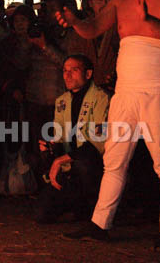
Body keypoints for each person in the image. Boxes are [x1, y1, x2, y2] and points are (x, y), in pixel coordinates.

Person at [60, 0, 160, 250]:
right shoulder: (121, 0)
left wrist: (149, 21)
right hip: (125, 92)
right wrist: (76, 21)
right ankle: (100, 224)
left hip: (158, 91)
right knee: (115, 160)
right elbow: (93, 29)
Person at [35, 55, 109, 224]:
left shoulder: (101, 98)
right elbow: (59, 135)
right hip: (70, 165)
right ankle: (76, 204)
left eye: (73, 71)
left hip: (92, 163)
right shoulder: (62, 101)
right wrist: (51, 148)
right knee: (42, 214)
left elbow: (98, 140)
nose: (67, 76)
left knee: (84, 163)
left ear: (88, 74)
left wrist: (62, 159)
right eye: (64, 71)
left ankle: (91, 204)